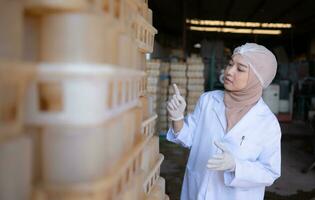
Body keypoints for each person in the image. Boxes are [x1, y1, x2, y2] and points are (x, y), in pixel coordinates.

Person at [166, 43, 281, 200]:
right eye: (230, 64)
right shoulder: (208, 100)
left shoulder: (267, 123)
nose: (228, 71)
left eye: (240, 69)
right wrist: (177, 118)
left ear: (256, 78)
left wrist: (236, 166)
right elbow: (190, 137)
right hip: (197, 190)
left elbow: (270, 172)